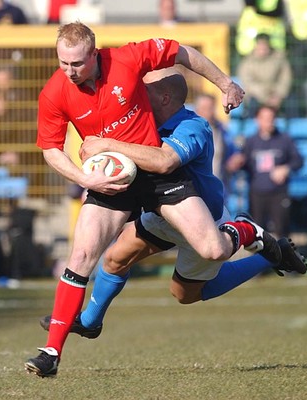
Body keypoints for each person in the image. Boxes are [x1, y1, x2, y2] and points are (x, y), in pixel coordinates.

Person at [24, 22, 279, 378]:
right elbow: (51, 149)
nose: (69, 72)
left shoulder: (128, 57)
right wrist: (85, 178)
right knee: (82, 256)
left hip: (158, 175)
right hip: (111, 179)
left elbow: (183, 52)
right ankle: (51, 352)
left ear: (94, 54)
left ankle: (246, 233)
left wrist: (225, 83)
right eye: (63, 63)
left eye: (77, 64)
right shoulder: (54, 92)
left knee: (213, 251)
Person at [39, 69, 307, 344]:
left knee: (184, 294)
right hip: (165, 212)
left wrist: (107, 144)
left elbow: (164, 161)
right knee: (114, 259)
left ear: (165, 97)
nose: (136, 95)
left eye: (146, 92)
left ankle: (259, 245)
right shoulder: (143, 122)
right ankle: (90, 322)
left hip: (202, 220)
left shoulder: (193, 127)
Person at [234, 105, 304, 239]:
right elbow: (244, 164)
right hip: (257, 193)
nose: (269, 122)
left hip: (278, 192)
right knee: (256, 232)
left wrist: (285, 168)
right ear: (257, 120)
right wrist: (237, 162)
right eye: (265, 118)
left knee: (282, 229)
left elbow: (298, 161)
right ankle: (257, 260)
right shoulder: (251, 141)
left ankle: (285, 259)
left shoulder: (284, 139)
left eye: (271, 118)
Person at [194, 93, 244, 195]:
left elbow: (234, 150)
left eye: (211, 108)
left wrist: (235, 158)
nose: (209, 112)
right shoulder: (189, 130)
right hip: (195, 188)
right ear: (197, 110)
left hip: (217, 186)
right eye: (205, 108)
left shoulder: (222, 130)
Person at [237, 33, 293, 118]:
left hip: (277, 95)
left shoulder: (279, 59)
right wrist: (265, 97)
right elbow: (248, 83)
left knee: (292, 102)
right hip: (256, 96)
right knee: (252, 103)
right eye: (260, 45)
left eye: (265, 45)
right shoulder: (247, 62)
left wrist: (278, 95)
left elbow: (285, 79)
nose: (262, 49)